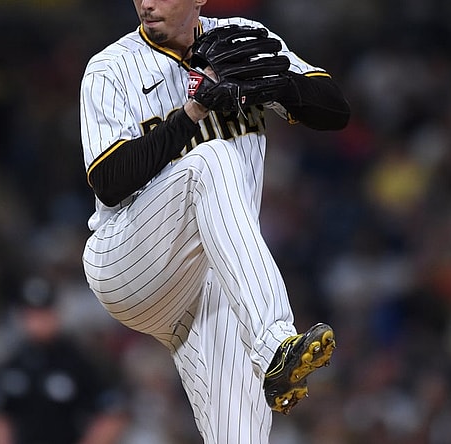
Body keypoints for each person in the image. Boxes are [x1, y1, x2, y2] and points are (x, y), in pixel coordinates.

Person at [79, 1, 350, 443]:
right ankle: (275, 344)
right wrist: (193, 113)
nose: (146, 3)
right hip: (130, 259)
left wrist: (275, 86)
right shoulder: (112, 67)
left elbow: (335, 111)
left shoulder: (241, 36)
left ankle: (276, 361)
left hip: (213, 282)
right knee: (213, 158)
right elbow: (109, 181)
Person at [0, 276, 128, 444]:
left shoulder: (79, 362)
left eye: (44, 313)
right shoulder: (11, 365)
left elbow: (112, 413)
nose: (38, 321)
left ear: (56, 313)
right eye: (32, 314)